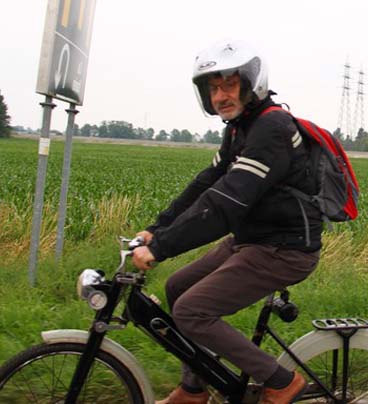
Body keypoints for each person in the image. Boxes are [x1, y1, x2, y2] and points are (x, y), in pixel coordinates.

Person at [132, 40, 323, 404]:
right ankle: (194, 389)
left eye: (229, 85)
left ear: (251, 84)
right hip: (253, 240)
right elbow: (207, 184)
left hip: (285, 249)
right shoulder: (239, 128)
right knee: (177, 288)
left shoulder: (272, 128)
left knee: (192, 311)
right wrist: (157, 229)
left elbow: (226, 203)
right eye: (213, 88)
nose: (220, 96)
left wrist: (161, 248)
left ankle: (281, 381)